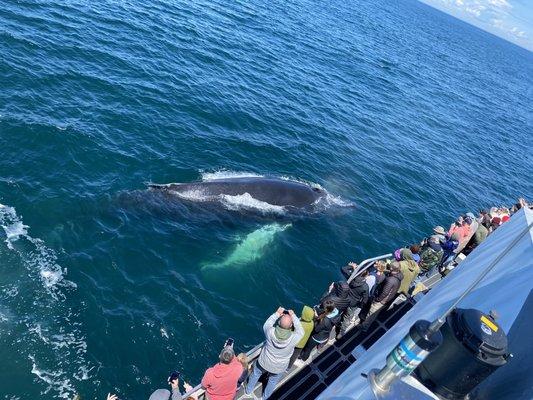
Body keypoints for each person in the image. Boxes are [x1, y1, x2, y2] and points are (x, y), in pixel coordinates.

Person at [245, 308, 304, 399]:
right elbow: (300, 330)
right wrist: (293, 316)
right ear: (291, 325)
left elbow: (267, 323)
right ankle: (264, 398)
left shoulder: (270, 331)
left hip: (264, 361)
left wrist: (277, 314)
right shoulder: (294, 337)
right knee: (272, 382)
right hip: (279, 367)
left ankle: (248, 391)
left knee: (255, 374)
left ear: (279, 323)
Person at [338, 264, 369, 336]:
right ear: (365, 276)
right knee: (347, 318)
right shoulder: (365, 287)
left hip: (344, 299)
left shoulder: (352, 277)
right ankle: (341, 333)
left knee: (339, 311)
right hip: (353, 303)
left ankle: (336, 322)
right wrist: (360, 306)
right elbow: (365, 300)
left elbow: (343, 268)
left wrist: (352, 267)